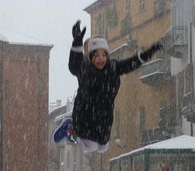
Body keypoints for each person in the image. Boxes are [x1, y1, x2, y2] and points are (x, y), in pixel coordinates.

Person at [53, 20, 163, 154]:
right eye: (96, 55)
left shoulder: (114, 68)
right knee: (91, 146)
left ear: (107, 56)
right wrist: (77, 41)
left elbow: (132, 63)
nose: (100, 59)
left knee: (103, 146)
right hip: (84, 115)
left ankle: (78, 132)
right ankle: (69, 127)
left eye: (103, 55)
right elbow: (74, 64)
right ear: (90, 57)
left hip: (104, 116)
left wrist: (149, 53)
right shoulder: (85, 69)